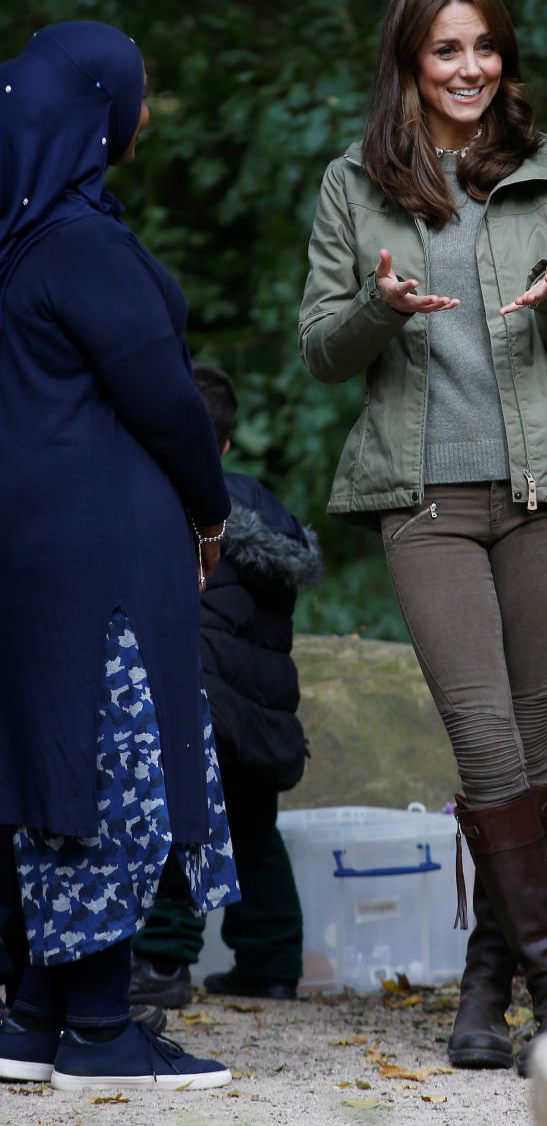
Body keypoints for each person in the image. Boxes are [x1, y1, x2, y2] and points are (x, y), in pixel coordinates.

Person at [298, 0, 547, 1074]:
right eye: (446, 51)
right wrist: (377, 312)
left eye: (483, 47)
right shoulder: (356, 185)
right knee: (485, 739)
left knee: (524, 757)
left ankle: (486, 988)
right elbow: (322, 350)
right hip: (423, 497)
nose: (470, 68)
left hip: (546, 495)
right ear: (409, 64)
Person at [0, 21, 239, 1090]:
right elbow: (168, 402)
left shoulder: (25, 239)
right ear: (98, 111)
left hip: (43, 548)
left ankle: (38, 1016)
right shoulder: (83, 247)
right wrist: (210, 507)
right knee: (116, 769)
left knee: (63, 764)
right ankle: (102, 1028)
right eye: (137, 93)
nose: (145, 111)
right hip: (102, 555)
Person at [130, 363, 321, 1005]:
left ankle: (160, 964)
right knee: (254, 836)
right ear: (229, 446)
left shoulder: (171, 503)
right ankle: (271, 961)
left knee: (178, 830)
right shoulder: (270, 518)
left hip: (203, 709)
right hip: (265, 721)